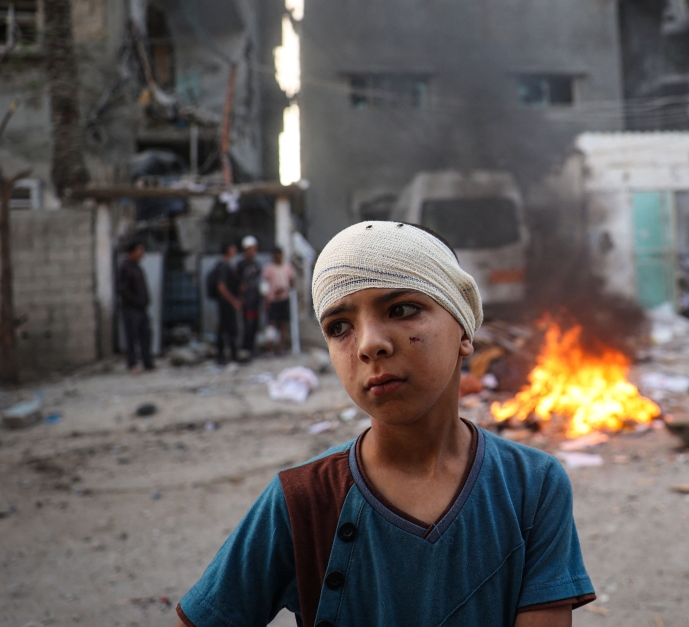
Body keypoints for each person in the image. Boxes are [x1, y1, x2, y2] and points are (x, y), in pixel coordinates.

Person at [173, 221, 595, 627]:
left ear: (464, 329)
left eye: (402, 308)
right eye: (340, 327)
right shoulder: (303, 500)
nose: (370, 343)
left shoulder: (532, 486)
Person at [117, 240, 154, 374]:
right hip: (131, 309)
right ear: (131, 252)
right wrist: (135, 301)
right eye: (139, 250)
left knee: (146, 336)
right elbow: (123, 289)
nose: (141, 253)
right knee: (132, 337)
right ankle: (131, 364)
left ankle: (148, 364)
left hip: (141, 308)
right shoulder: (125, 267)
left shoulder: (137, 267)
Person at [210, 242, 241, 364]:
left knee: (226, 328)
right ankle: (225, 355)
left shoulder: (228, 265)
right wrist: (233, 301)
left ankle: (226, 355)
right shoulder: (224, 267)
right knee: (227, 329)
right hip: (226, 303)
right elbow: (221, 287)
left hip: (226, 302)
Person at [262, 246, 296, 354]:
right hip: (272, 300)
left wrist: (285, 288)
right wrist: (266, 300)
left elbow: (292, 282)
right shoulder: (269, 268)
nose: (278, 257)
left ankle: (280, 348)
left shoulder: (287, 267)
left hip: (284, 299)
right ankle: (270, 349)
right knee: (271, 324)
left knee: (283, 324)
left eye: (279, 254)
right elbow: (264, 286)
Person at [234, 235, 262, 359]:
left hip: (255, 299)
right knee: (246, 325)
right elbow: (236, 282)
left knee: (255, 324)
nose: (253, 251)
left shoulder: (256, 265)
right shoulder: (240, 265)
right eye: (251, 249)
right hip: (245, 301)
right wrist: (239, 296)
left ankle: (251, 348)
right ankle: (244, 348)